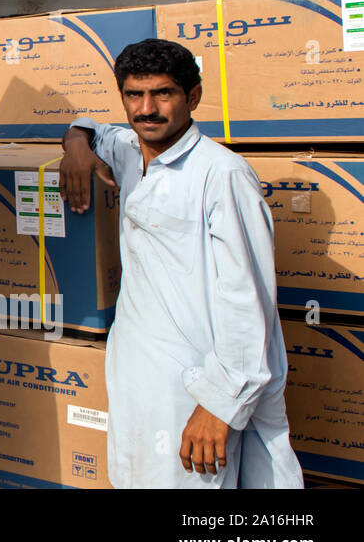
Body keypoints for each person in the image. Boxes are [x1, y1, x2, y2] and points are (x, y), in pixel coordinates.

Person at [58, 38, 302, 489]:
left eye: (163, 94)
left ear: (193, 97)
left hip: (195, 389)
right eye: (134, 95)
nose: (147, 108)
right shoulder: (131, 152)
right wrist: (76, 146)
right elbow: (92, 128)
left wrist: (219, 404)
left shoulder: (221, 175)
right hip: (137, 375)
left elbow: (248, 302)